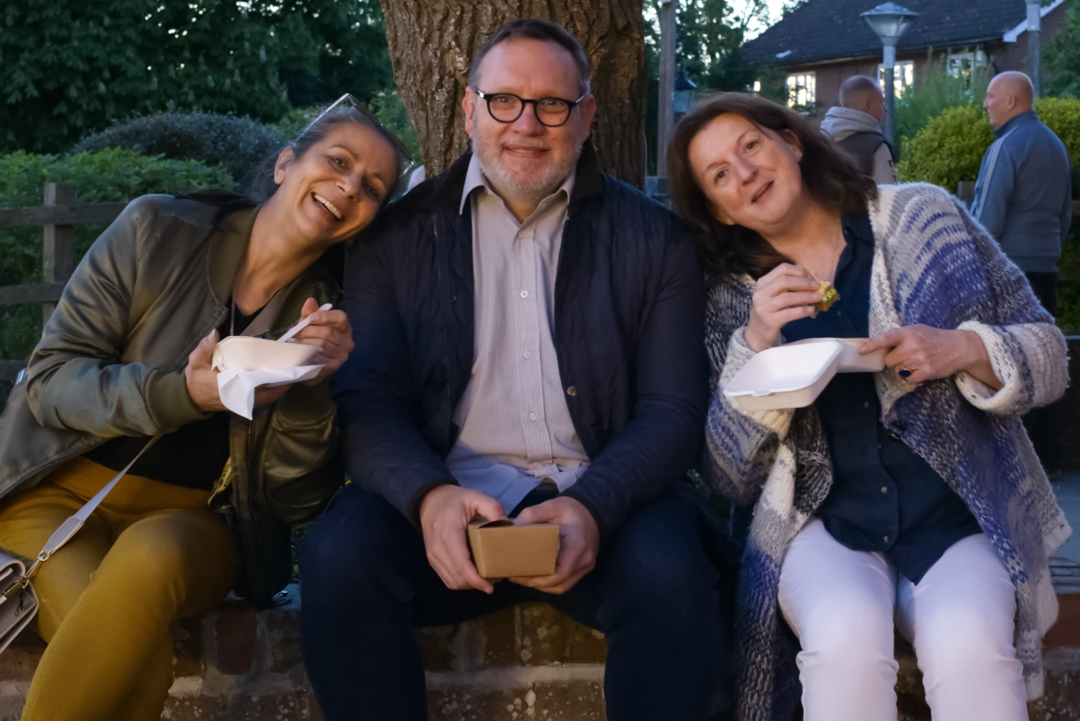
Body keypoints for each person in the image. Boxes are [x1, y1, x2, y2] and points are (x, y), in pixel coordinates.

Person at [300, 19, 735, 721]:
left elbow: (672, 410)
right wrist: (427, 497)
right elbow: (368, 397)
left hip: (604, 497)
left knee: (671, 573)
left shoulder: (656, 240)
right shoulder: (395, 237)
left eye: (552, 104)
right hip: (443, 499)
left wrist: (595, 506)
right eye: (504, 100)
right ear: (469, 110)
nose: (526, 124)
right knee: (338, 558)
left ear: (586, 117)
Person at [666, 92, 1070, 721]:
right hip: (822, 528)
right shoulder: (731, 302)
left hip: (954, 517)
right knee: (842, 640)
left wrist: (964, 348)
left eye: (751, 146)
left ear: (790, 142)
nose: (744, 173)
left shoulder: (922, 218)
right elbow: (728, 477)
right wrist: (756, 345)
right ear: (718, 210)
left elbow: (1049, 353)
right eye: (719, 175)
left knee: (971, 645)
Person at [0, 100, 407, 721]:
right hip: (56, 494)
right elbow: (51, 380)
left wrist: (310, 386)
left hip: (196, 520)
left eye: (372, 188)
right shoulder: (156, 230)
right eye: (338, 161)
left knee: (151, 558)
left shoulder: (333, 317)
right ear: (285, 164)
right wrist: (184, 394)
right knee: (129, 658)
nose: (350, 186)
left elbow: (294, 501)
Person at [971, 70, 1072, 474]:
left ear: (1011, 101)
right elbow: (1064, 216)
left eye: (991, 96)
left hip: (1008, 273)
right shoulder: (1055, 145)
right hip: (1045, 269)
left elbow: (986, 221)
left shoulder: (1006, 147)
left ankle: (1013, 459)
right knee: (1043, 361)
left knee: (1006, 365)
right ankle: (1049, 454)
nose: (985, 104)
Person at [820, 75, 897, 185]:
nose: (885, 109)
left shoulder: (817, 141)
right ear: (868, 105)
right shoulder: (876, 146)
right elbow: (889, 191)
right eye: (881, 103)